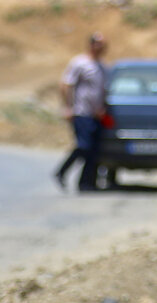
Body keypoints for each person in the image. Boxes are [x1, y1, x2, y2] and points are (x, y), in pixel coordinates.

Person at [54, 32, 107, 192]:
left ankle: (86, 183)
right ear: (91, 45)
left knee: (94, 150)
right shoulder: (80, 63)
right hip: (81, 112)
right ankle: (61, 171)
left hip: (96, 115)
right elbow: (66, 84)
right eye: (99, 44)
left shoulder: (103, 67)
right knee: (84, 146)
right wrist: (68, 107)